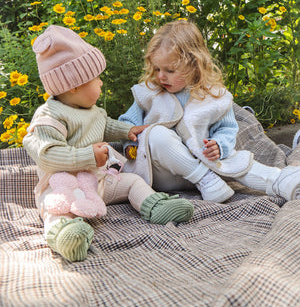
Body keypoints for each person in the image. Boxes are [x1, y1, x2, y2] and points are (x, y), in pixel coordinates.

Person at [23, 25, 194, 262]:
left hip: (97, 182)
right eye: (97, 79)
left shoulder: (90, 110)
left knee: (133, 181)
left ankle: (155, 205)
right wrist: (87, 156)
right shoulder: (50, 116)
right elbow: (47, 155)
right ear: (74, 85)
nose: (101, 84)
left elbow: (105, 126)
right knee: (56, 209)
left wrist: (128, 130)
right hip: (62, 186)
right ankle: (65, 234)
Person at [119, 20, 300, 203]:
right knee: (157, 134)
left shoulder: (213, 97)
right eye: (156, 68)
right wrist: (130, 144)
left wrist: (219, 145)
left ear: (194, 64)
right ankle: (205, 179)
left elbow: (227, 129)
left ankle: (283, 181)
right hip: (161, 173)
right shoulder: (149, 93)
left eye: (169, 70)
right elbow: (126, 124)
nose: (160, 76)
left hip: (205, 164)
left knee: (237, 162)